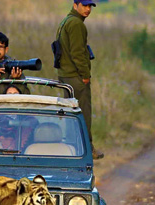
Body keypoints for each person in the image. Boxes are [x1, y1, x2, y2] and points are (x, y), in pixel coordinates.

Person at [55, 0, 104, 159]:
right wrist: (85, 75)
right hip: (75, 77)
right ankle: (87, 150)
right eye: (85, 5)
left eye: (90, 6)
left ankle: (72, 149)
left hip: (66, 75)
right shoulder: (76, 24)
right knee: (83, 113)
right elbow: (77, 53)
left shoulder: (66, 21)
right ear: (75, 5)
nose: (88, 9)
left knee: (71, 114)